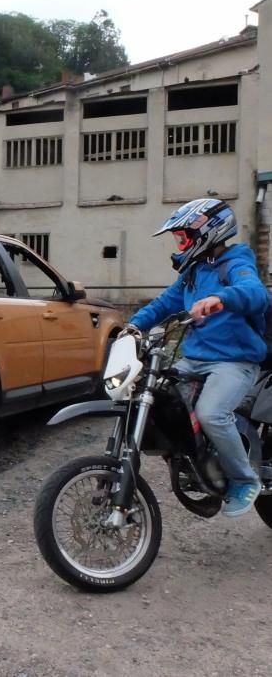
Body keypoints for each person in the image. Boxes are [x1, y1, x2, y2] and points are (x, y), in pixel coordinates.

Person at [124, 198, 267, 517]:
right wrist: (133, 325)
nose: (179, 244)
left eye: (184, 237)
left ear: (209, 233)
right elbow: (163, 304)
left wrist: (221, 297)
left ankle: (244, 480)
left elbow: (256, 292)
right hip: (195, 359)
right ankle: (196, 461)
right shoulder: (192, 273)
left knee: (211, 412)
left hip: (234, 361)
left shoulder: (236, 262)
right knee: (156, 398)